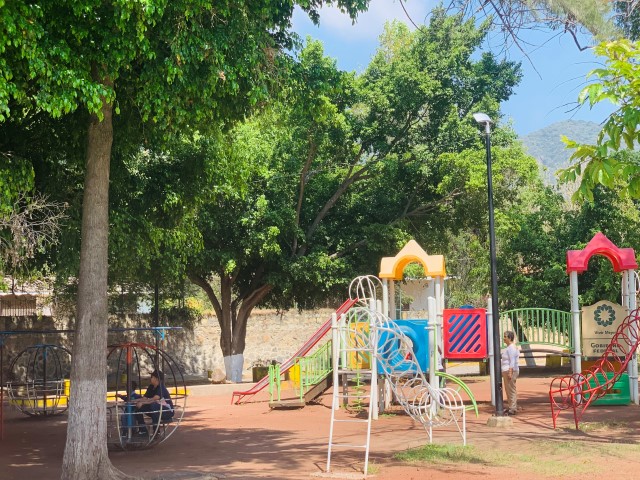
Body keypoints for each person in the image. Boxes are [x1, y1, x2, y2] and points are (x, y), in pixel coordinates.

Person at [134, 370, 174, 435]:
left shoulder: (161, 387)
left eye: (152, 377)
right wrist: (134, 401)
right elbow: (144, 398)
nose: (150, 378)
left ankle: (156, 431)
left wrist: (142, 403)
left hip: (166, 411)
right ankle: (143, 429)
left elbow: (154, 399)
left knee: (153, 405)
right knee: (138, 408)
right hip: (157, 409)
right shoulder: (151, 387)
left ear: (156, 379)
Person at [501, 331, 520, 415]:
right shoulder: (509, 348)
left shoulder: (511, 348)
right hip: (507, 370)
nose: (504, 338)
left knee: (511, 389)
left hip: (510, 371)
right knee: (508, 389)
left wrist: (510, 372)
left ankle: (513, 408)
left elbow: (512, 361)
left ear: (510, 338)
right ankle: (511, 406)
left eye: (505, 337)